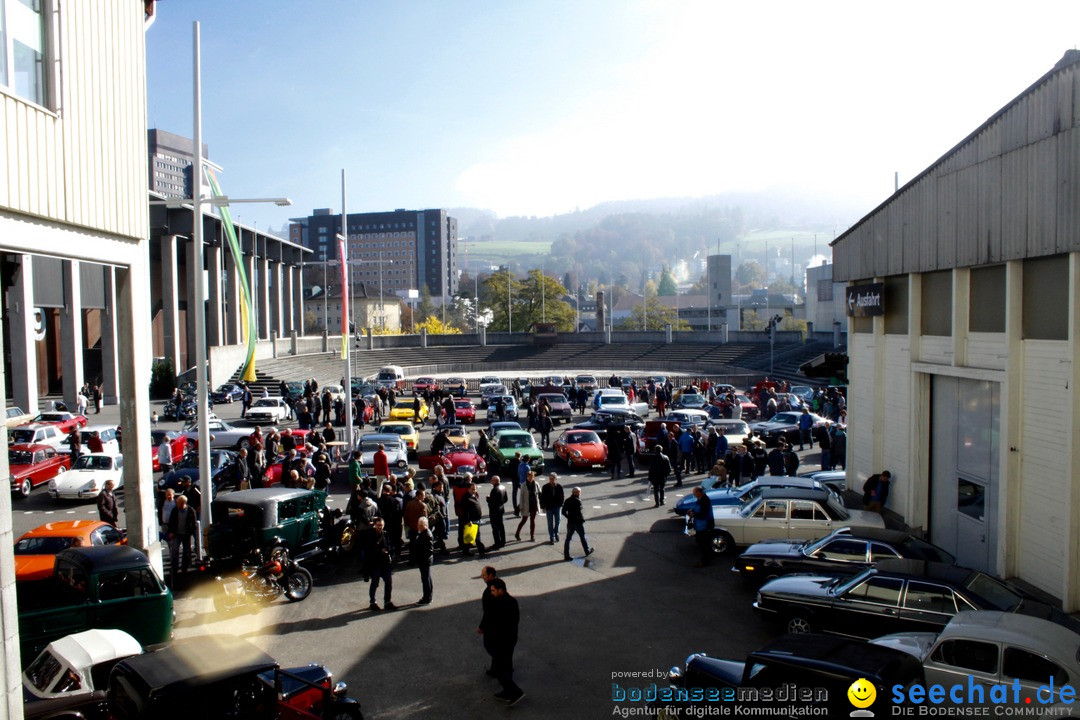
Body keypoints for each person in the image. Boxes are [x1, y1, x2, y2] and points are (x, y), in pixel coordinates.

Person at [479, 578, 525, 705]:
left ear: (501, 590)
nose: (491, 592)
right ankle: (507, 691)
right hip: (509, 640)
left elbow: (499, 623)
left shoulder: (502, 604)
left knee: (500, 670)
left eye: (493, 591)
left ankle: (515, 692)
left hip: (502, 642)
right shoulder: (511, 601)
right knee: (506, 665)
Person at [364, 517, 396, 611]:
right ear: (374, 525)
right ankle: (373, 602)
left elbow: (390, 546)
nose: (380, 527)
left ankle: (387, 601)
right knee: (375, 583)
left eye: (381, 525)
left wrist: (389, 551)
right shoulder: (370, 535)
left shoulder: (386, 535)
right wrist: (379, 551)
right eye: (378, 525)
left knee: (389, 582)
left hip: (385, 563)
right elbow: (368, 550)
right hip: (375, 563)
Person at [166, 494, 197, 585]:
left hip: (186, 534)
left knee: (186, 551)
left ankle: (184, 568)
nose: (177, 504)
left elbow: (193, 523)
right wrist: (171, 532)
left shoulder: (190, 510)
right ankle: (174, 568)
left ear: (183, 503)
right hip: (177, 534)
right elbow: (171, 522)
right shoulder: (175, 510)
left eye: (179, 503)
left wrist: (190, 531)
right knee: (175, 550)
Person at [561, 486, 593, 561]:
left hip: (570, 522)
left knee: (568, 539)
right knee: (582, 537)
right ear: (577, 493)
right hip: (578, 523)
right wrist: (582, 519)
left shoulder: (567, 500)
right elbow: (579, 512)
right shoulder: (578, 501)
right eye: (580, 492)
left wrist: (569, 517)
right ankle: (587, 551)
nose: (580, 493)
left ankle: (566, 555)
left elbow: (563, 512)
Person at [687, 486, 715, 567]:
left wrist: (694, 514)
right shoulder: (701, 499)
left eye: (694, 492)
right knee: (701, 541)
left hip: (704, 525)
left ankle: (706, 559)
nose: (694, 494)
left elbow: (703, 513)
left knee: (703, 542)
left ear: (699, 492)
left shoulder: (705, 500)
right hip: (700, 524)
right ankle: (708, 557)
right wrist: (693, 510)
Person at [411, 516, 435, 604]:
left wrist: (422, 559)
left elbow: (429, 551)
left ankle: (427, 598)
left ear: (426, 525)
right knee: (427, 578)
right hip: (424, 560)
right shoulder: (423, 533)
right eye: (418, 524)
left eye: (421, 525)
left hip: (424, 561)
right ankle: (428, 596)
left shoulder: (427, 535)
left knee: (425, 579)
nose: (419, 526)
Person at [458, 482, 487, 557]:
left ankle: (469, 550)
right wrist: (468, 520)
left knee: (473, 536)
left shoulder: (473, 495)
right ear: (468, 489)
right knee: (473, 536)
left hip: (476, 519)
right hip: (472, 520)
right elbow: (465, 511)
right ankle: (480, 550)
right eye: (472, 489)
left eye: (475, 489)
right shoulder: (466, 498)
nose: (474, 490)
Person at [539, 472, 565, 544]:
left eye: (553, 479)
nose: (551, 480)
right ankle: (552, 537)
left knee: (558, 521)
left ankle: (556, 533)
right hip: (549, 507)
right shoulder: (545, 487)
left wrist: (560, 504)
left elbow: (562, 497)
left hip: (557, 507)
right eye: (550, 478)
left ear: (556, 479)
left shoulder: (559, 487)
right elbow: (542, 498)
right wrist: (543, 507)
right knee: (550, 523)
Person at [514, 471, 538, 542]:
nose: (530, 478)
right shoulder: (523, 485)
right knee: (524, 520)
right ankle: (517, 533)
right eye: (529, 477)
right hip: (526, 505)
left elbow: (539, 494)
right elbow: (521, 497)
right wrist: (521, 507)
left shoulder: (536, 484)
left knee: (532, 520)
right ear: (527, 477)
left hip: (534, 504)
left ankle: (532, 536)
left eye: (532, 477)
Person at [487, 476, 508, 549]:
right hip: (501, 509)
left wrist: (488, 499)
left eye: (492, 480)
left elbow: (492, 502)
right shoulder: (503, 487)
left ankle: (497, 543)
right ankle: (503, 541)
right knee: (501, 526)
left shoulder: (494, 490)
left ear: (495, 481)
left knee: (495, 528)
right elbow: (505, 499)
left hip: (494, 511)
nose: (491, 481)